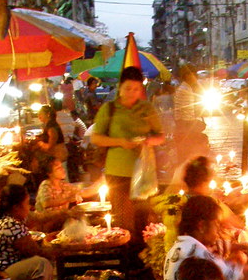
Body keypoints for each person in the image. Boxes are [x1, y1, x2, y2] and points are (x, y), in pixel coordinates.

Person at [91, 66, 165, 233]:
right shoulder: (109, 109)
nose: (132, 92)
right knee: (122, 222)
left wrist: (146, 140)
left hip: (144, 174)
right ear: (120, 87)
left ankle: (141, 256)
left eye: (136, 89)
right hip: (118, 174)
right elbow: (96, 138)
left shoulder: (147, 109)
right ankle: (125, 257)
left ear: (141, 89)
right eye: (128, 88)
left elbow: (161, 137)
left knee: (143, 221)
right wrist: (120, 142)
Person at [0, 185, 55, 280]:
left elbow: (37, 220)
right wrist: (62, 248)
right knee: (41, 263)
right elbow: (36, 251)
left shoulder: (5, 218)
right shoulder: (10, 224)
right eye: (27, 203)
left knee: (39, 263)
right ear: (16, 207)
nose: (29, 207)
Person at [31, 158, 98, 232]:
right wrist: (68, 199)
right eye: (58, 168)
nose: (63, 170)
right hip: (46, 224)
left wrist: (100, 184)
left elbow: (83, 192)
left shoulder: (64, 185)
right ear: (49, 173)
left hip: (61, 221)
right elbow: (46, 203)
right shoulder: (46, 185)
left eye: (62, 167)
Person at [173, 64, 209, 165]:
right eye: (192, 75)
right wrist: (193, 127)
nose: (194, 77)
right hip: (185, 126)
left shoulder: (187, 87)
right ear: (186, 76)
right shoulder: (185, 89)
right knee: (187, 155)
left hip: (185, 124)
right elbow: (185, 113)